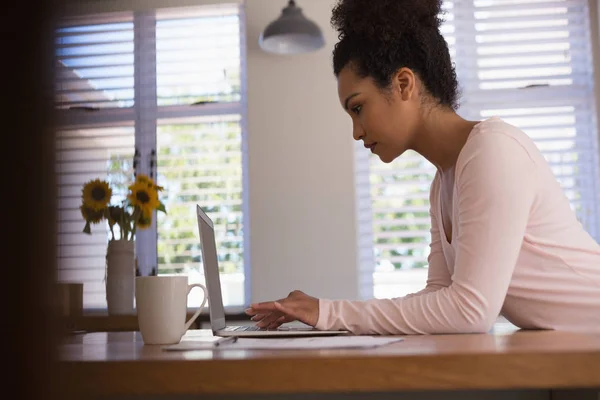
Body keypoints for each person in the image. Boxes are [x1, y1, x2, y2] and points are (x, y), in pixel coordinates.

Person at [245, 0, 600, 335]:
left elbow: (470, 311)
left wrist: (329, 312)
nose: (356, 132)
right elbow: (440, 298)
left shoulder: (493, 149)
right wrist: (325, 311)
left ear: (403, 84)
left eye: (357, 108)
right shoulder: (444, 181)